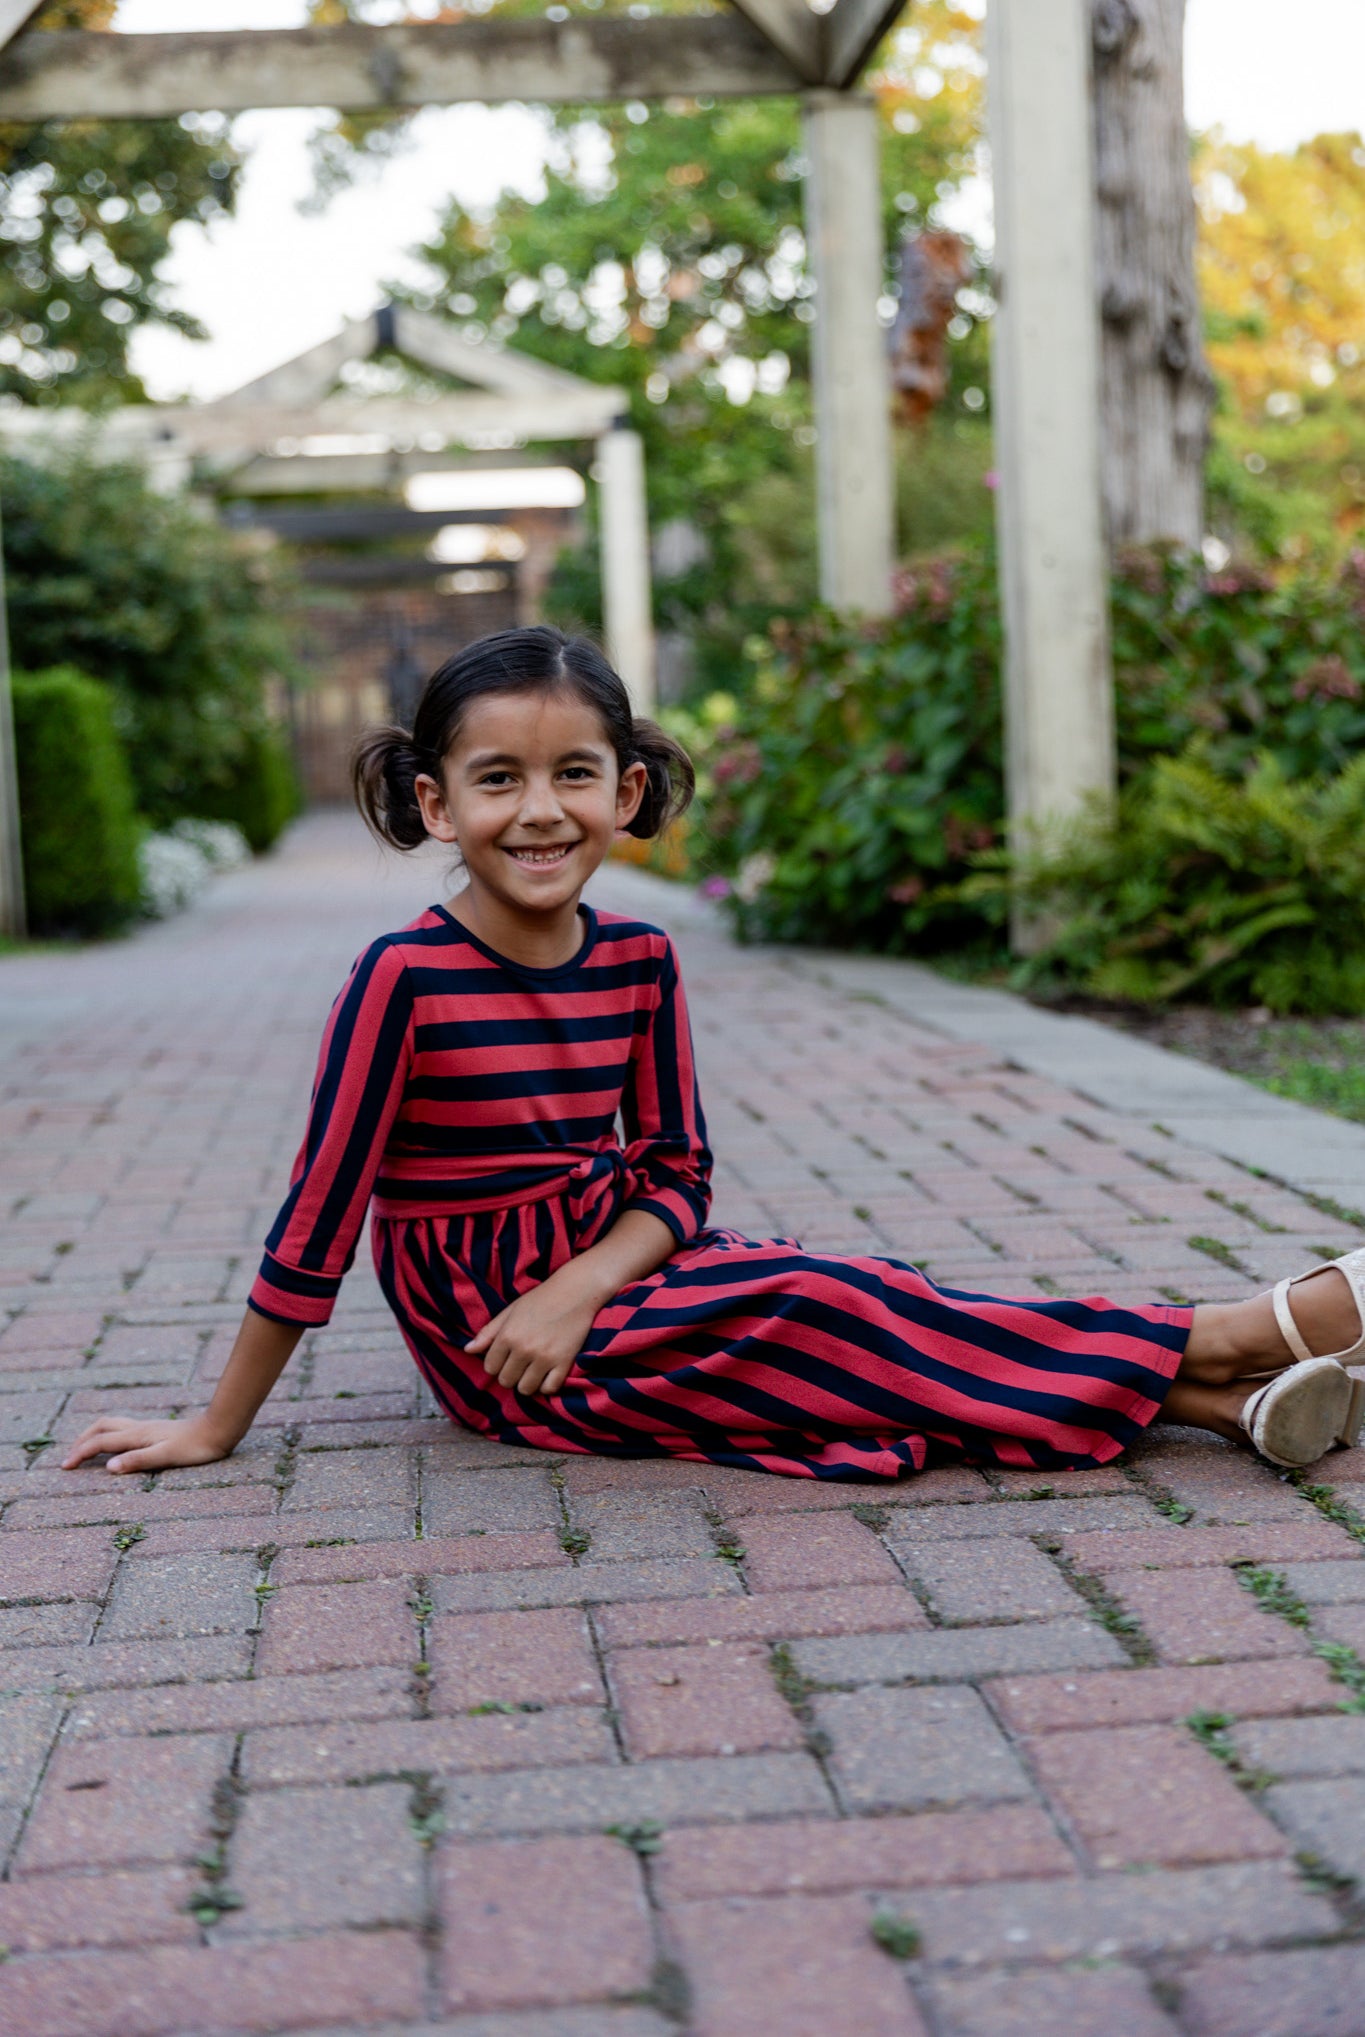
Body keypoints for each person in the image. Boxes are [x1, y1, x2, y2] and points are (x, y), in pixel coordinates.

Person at [63, 628, 1365, 1486]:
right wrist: (216, 1426)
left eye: (573, 773)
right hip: (498, 1337)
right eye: (497, 779)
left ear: (625, 792)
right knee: (815, 1312)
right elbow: (317, 1218)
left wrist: (585, 1283)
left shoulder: (639, 959)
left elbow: (677, 1177)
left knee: (848, 1311)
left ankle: (1223, 1405)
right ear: (437, 805)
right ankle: (1225, 1332)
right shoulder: (401, 979)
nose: (538, 810)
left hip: (609, 1274)